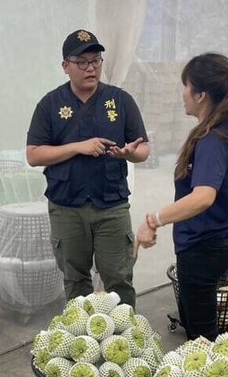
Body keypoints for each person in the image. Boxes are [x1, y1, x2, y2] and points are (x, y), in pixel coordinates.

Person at [26, 29, 150, 307]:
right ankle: (82, 341)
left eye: (96, 61)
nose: (91, 68)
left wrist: (131, 154)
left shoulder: (120, 101)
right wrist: (78, 147)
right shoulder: (50, 105)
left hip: (112, 205)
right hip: (66, 206)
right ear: (65, 66)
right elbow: (33, 155)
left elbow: (143, 149)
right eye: (82, 62)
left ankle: (125, 338)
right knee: (75, 279)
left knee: (119, 278)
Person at [134, 53, 228, 341]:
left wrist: (154, 219)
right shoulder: (223, 129)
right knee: (196, 328)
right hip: (207, 246)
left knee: (202, 339)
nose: (182, 94)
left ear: (200, 95)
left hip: (202, 249)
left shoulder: (213, 139)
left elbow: (203, 197)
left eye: (185, 86)